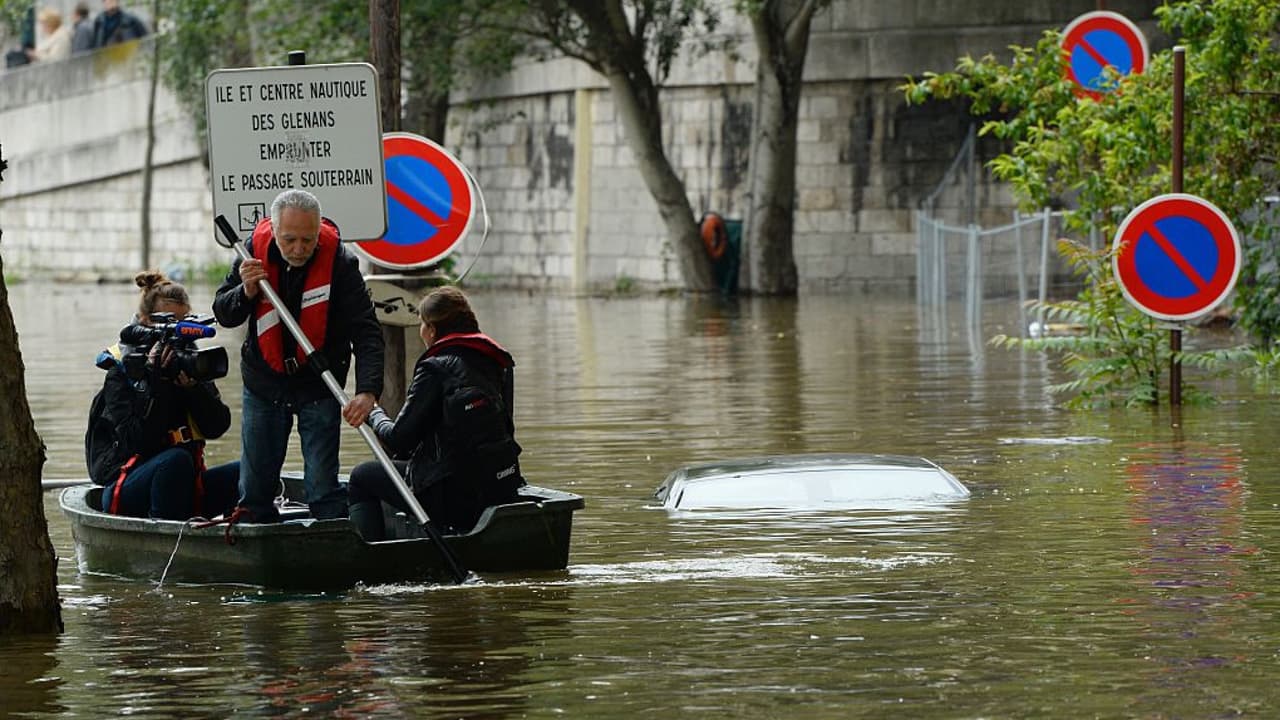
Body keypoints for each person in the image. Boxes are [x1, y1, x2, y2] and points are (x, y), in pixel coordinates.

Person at [213, 189, 384, 522]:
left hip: (320, 383)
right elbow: (224, 312)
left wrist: (367, 391)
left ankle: (332, 541)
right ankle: (256, 540)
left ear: (319, 231)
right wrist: (245, 292)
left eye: (308, 240)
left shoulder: (341, 264)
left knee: (322, 485)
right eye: (289, 240)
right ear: (274, 231)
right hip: (264, 383)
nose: (299, 249)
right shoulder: (251, 253)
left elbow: (367, 332)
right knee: (255, 488)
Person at [347, 287, 525, 540]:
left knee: (362, 476)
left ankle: (369, 561)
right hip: (499, 484)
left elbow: (399, 440)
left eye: (421, 324)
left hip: (450, 494)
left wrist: (374, 413)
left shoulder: (435, 368)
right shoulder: (498, 361)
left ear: (431, 329)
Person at [86, 271, 239, 520]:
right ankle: (165, 537)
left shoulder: (189, 362)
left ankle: (242, 537)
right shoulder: (121, 371)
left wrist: (193, 389)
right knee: (175, 461)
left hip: (184, 482)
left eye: (183, 324)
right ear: (145, 322)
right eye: (169, 325)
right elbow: (138, 442)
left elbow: (216, 427)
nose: (177, 336)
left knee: (253, 471)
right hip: (128, 485)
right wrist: (155, 382)